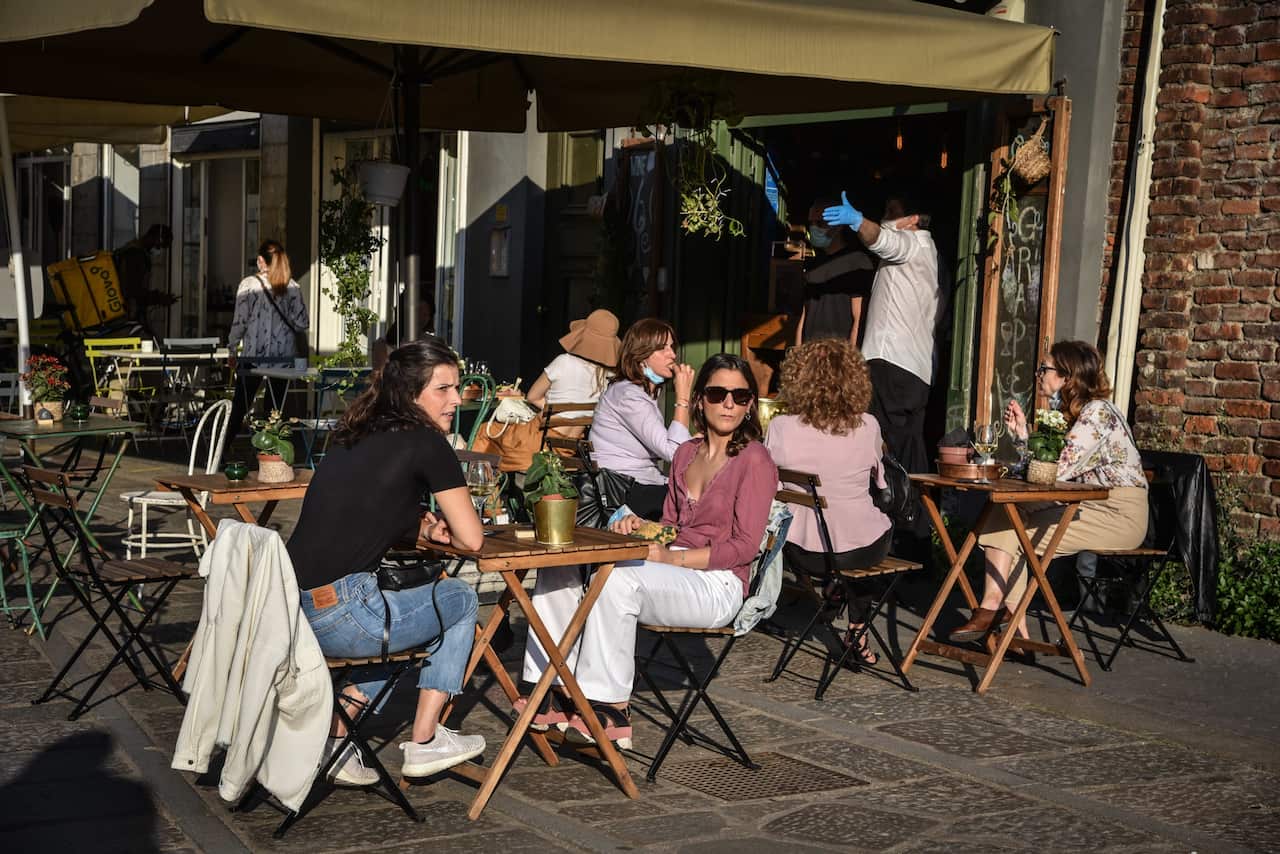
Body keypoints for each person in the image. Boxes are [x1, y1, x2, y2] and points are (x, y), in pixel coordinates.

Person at [519, 353, 777, 747]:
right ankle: (548, 689)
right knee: (563, 568)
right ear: (700, 400)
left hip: (718, 583)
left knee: (618, 578)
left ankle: (608, 708)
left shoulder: (754, 458)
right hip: (674, 573)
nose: (729, 403)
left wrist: (672, 557)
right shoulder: (686, 454)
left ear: (749, 405)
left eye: (741, 396)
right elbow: (674, 528)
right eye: (718, 392)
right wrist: (643, 527)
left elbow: (743, 548)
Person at [287, 337, 487, 784]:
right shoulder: (427, 443)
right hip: (345, 617)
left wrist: (424, 529)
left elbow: (368, 510)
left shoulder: (353, 434)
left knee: (402, 615)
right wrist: (449, 527)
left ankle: (338, 735)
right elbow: (473, 540)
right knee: (457, 597)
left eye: (458, 387)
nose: (456, 398)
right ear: (411, 393)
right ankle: (425, 739)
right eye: (444, 388)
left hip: (292, 612)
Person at [950, 340, 1150, 641]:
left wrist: (1024, 442)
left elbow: (1057, 471)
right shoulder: (1071, 414)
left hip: (1118, 514)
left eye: (1045, 368)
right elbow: (1048, 470)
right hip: (1087, 504)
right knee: (1006, 515)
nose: (1038, 373)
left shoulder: (1097, 413)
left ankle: (999, 617)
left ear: (1067, 377)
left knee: (1012, 529)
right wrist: (1023, 438)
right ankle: (1010, 628)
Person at [764, 339, 891, 662]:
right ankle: (857, 628)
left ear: (798, 378)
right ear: (855, 380)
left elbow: (769, 485)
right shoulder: (869, 426)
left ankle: (836, 592)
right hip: (858, 551)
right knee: (873, 531)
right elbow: (881, 482)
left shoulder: (780, 427)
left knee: (848, 539)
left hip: (802, 552)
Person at [823, 192, 939, 476]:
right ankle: (916, 516)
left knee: (885, 450)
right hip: (916, 371)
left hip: (892, 366)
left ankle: (894, 515)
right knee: (910, 452)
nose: (885, 217)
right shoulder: (931, 254)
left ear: (912, 219)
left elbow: (882, 240)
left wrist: (858, 220)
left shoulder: (912, 244)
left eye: (891, 210)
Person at [588, 318, 694, 519]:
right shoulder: (629, 396)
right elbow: (675, 453)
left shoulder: (641, 393)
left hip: (639, 484)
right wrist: (682, 399)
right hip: (622, 492)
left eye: (672, 347)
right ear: (641, 356)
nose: (672, 355)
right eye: (662, 349)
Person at [224, 240, 309, 456]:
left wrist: (232, 349)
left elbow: (240, 322)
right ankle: (271, 456)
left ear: (261, 261)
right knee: (274, 409)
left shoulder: (249, 285)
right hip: (283, 357)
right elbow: (302, 324)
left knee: (240, 405)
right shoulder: (293, 287)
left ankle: (222, 451)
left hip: (254, 355)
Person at [795, 199, 876, 346]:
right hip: (810, 353)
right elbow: (805, 313)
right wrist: (797, 353)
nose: (813, 228)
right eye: (810, 223)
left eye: (820, 223)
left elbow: (859, 317)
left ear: (838, 226)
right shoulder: (813, 264)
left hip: (839, 354)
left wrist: (852, 359)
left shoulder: (857, 261)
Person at [526, 308, 621, 423]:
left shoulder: (563, 362)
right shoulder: (609, 376)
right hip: (577, 438)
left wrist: (561, 414)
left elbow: (532, 397)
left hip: (543, 436)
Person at [114, 223, 174, 329]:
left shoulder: (134, 251)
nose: (160, 250)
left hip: (127, 312)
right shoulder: (136, 255)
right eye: (161, 246)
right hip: (125, 315)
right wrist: (159, 298)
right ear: (156, 238)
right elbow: (133, 291)